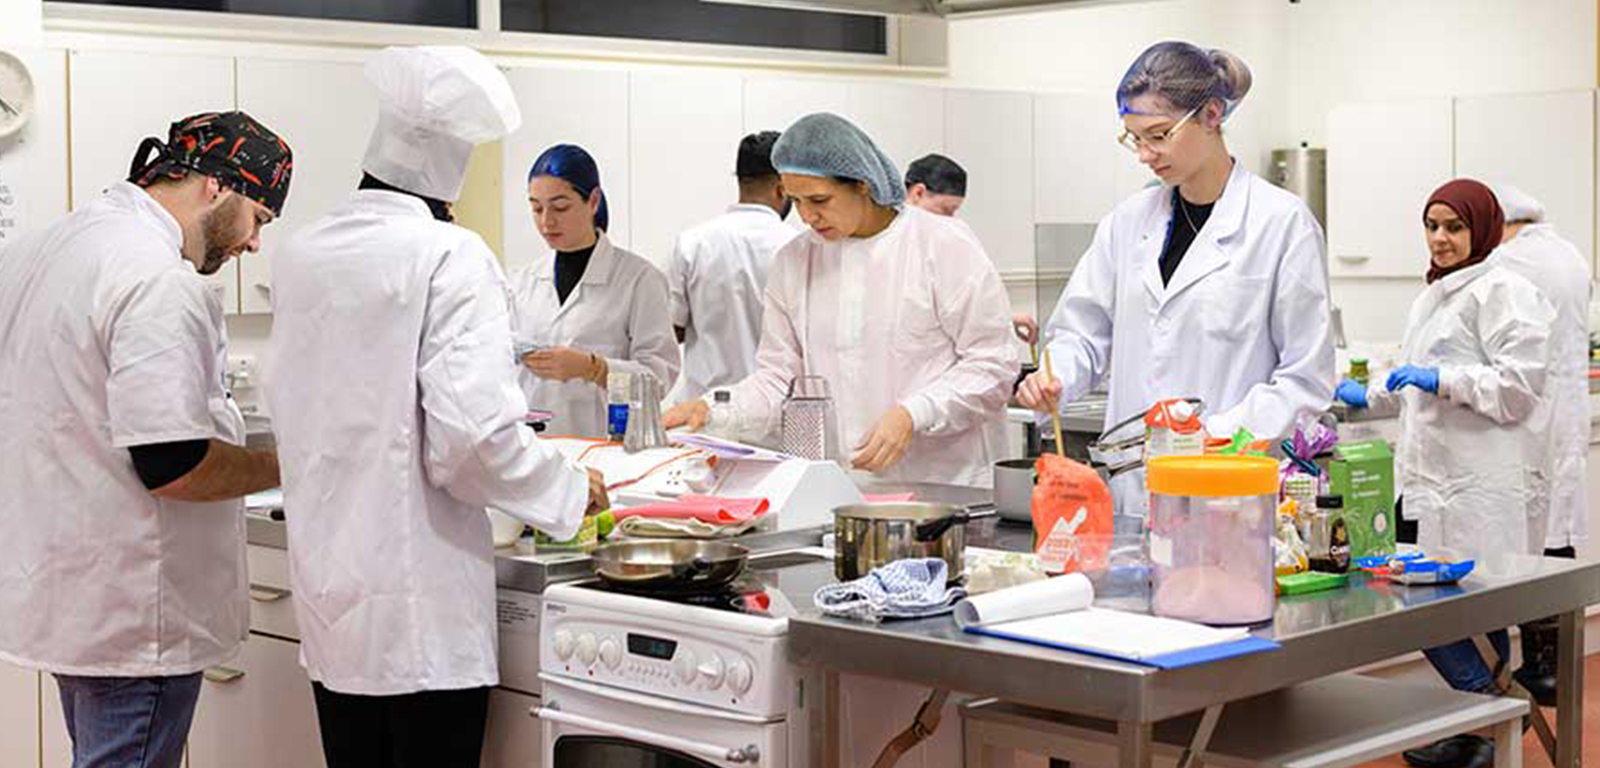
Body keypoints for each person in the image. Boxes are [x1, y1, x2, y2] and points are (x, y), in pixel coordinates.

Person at [263, 46, 604, 768]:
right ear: (455, 166)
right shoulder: (449, 254)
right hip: (419, 616)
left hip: (333, 604)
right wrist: (568, 490)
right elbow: (472, 441)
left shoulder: (302, 252)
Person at [0, 111, 291, 768]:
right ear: (220, 187)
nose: (253, 246)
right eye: (261, 219)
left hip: (67, 597)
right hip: (133, 613)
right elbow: (176, 466)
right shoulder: (157, 278)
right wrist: (288, 464)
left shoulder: (40, 252)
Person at [1017, 41, 1335, 515]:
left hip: (1227, 494)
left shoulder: (1280, 223)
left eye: (1159, 135)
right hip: (1133, 495)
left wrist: (1215, 434)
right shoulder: (1127, 224)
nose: (1146, 154)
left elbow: (1304, 380)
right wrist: (1056, 374)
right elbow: (1082, 335)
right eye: (1134, 138)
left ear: (1211, 115)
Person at [665, 112, 1017, 487]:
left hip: (946, 485)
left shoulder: (943, 246)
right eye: (796, 200)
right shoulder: (795, 262)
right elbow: (778, 379)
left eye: (819, 199)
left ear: (863, 185)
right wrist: (715, 409)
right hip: (845, 486)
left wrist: (914, 413)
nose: (806, 216)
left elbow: (993, 364)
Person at [1336, 179, 1554, 768]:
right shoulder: (1433, 296)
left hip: (1482, 483)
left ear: (1480, 229)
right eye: (1432, 226)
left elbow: (1518, 387)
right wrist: (1365, 394)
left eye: (1454, 227)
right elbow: (1413, 383)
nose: (1440, 238)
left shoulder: (1506, 292)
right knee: (1435, 605)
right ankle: (1483, 724)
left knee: (1455, 609)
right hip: (1432, 483)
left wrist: (1443, 380)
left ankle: (1482, 715)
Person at [1490, 184, 1591, 705]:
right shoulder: (1569, 254)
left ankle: (1521, 672)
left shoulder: (1511, 261)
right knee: (1556, 530)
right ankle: (1552, 666)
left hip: (1529, 418)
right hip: (1565, 412)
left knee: (1527, 541)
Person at [511, 143, 680, 438]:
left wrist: (595, 369)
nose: (546, 221)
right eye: (536, 208)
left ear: (593, 201)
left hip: (605, 448)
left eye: (560, 207)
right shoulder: (522, 281)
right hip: (534, 450)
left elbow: (658, 382)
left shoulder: (639, 280)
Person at [667, 131, 796, 404]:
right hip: (774, 414)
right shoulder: (797, 246)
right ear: (783, 187)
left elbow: (670, 331)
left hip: (702, 413)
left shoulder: (692, 243)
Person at [903, 152, 1040, 350]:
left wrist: (1003, 319)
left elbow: (951, 306)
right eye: (945, 209)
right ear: (918, 193)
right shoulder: (890, 244)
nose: (951, 220)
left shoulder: (939, 242)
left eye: (955, 211)